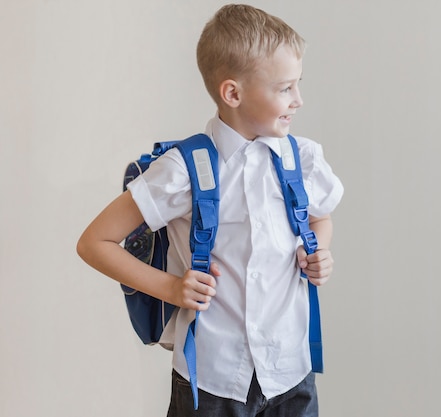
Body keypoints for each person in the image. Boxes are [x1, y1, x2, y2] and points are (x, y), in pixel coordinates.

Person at [76, 3, 343, 417]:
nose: (299, 100)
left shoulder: (301, 159)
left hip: (290, 372)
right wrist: (171, 288)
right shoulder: (185, 169)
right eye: (285, 88)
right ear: (233, 93)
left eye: (298, 85)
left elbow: (319, 217)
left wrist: (317, 252)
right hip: (213, 379)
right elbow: (95, 242)